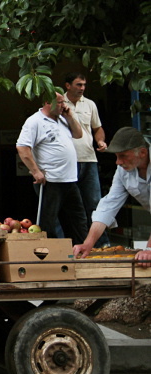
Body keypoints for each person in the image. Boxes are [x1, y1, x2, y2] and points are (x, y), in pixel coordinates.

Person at [73, 127, 151, 267]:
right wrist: (88, 244)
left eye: (123, 156)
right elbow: (108, 205)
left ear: (143, 153)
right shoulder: (122, 170)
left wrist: (149, 249)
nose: (118, 162)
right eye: (116, 156)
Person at [16, 92, 88, 244]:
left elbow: (78, 134)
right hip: (50, 180)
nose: (64, 105)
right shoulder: (35, 121)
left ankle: (79, 249)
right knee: (48, 221)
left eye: (63, 102)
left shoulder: (62, 119)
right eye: (60, 102)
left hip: (69, 178)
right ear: (48, 102)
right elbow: (22, 147)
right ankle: (49, 254)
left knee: (77, 219)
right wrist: (35, 171)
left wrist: (69, 116)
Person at [64, 72, 110, 247]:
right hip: (68, 162)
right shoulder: (59, 103)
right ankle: (78, 243)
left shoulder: (90, 104)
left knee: (95, 204)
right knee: (73, 207)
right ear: (68, 85)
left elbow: (97, 128)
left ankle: (102, 243)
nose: (82, 88)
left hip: (89, 160)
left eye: (84, 85)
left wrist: (100, 140)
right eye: (78, 84)